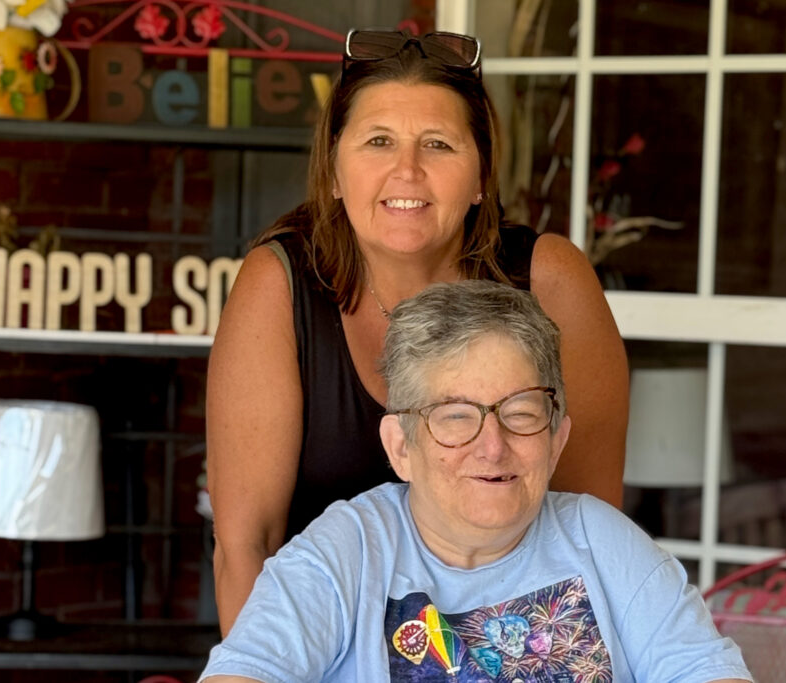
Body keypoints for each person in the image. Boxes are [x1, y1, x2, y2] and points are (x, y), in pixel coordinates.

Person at [206, 29, 629, 635]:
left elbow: (588, 538)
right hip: (318, 650)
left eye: (438, 144)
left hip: (508, 649)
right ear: (333, 170)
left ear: (481, 175)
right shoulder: (280, 284)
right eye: (378, 141)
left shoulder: (549, 279)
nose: (407, 171)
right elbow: (248, 545)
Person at [199, 281, 750, 683]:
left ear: (557, 439)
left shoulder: (605, 544)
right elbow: (247, 672)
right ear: (400, 448)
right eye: (455, 415)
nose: (492, 445)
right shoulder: (349, 550)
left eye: (522, 411)